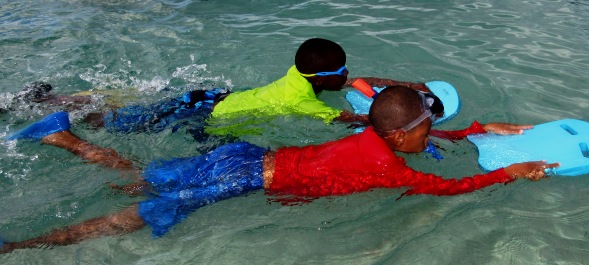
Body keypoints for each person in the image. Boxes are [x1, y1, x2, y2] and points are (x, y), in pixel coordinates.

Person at [0, 85, 558, 254]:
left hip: (245, 159)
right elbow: (452, 187)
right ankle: (23, 245)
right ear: (396, 136)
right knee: (139, 214)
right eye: (422, 130)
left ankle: (61, 135)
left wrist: (479, 130)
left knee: (142, 176)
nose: (428, 134)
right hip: (242, 179)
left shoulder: (371, 132)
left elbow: (422, 136)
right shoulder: (396, 170)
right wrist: (509, 173)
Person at [5, 38, 433, 139]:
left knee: (139, 104)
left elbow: (358, 84)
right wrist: (403, 116)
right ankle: (39, 106)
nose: (349, 76)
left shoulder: (299, 75)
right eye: (344, 73)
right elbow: (356, 118)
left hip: (215, 95)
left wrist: (403, 85)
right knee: (114, 121)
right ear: (322, 80)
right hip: (208, 114)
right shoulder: (301, 100)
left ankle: (56, 96)